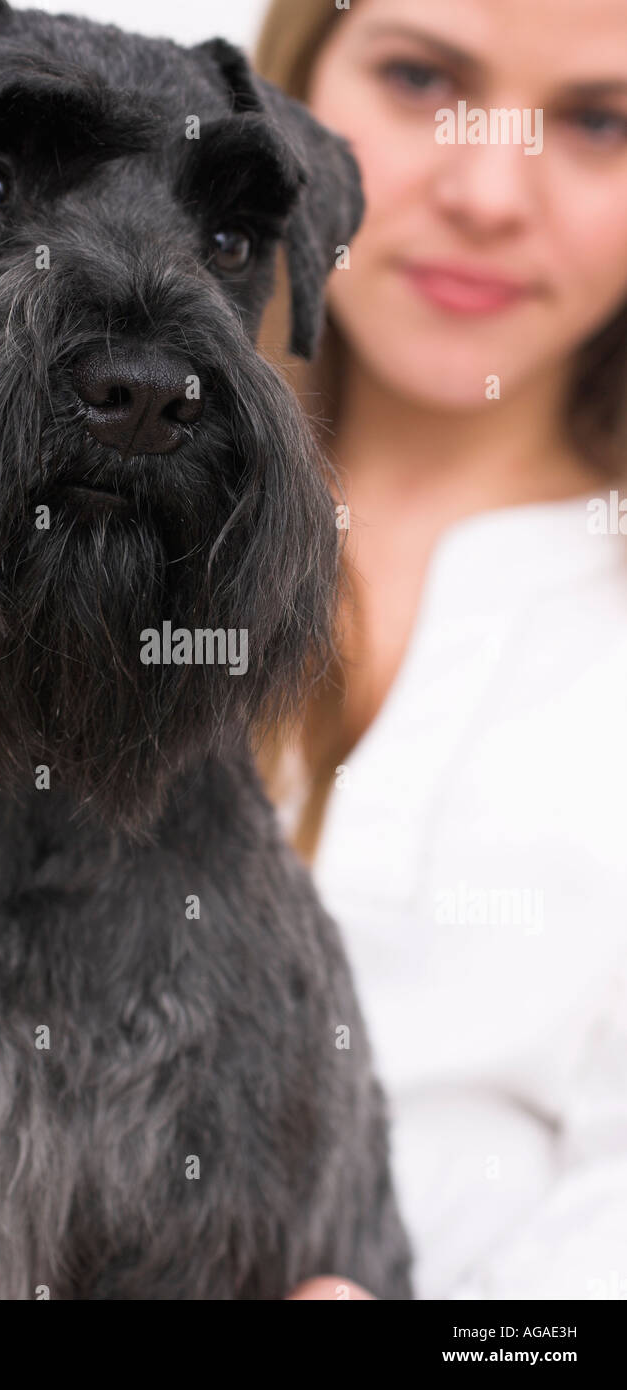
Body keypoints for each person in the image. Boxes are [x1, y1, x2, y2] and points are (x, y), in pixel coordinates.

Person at [253, 0, 627, 1299]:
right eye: (420, 79)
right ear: (295, 81)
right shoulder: (29, 523)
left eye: (598, 120)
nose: (483, 191)